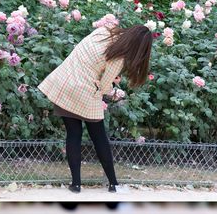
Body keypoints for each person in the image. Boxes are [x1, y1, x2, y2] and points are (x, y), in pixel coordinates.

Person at [37, 24, 153, 193]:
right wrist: (113, 86)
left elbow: (87, 57)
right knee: (99, 137)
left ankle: (76, 185)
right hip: (85, 93)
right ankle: (113, 184)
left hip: (64, 83)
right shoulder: (118, 59)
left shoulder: (103, 31)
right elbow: (105, 88)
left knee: (73, 134)